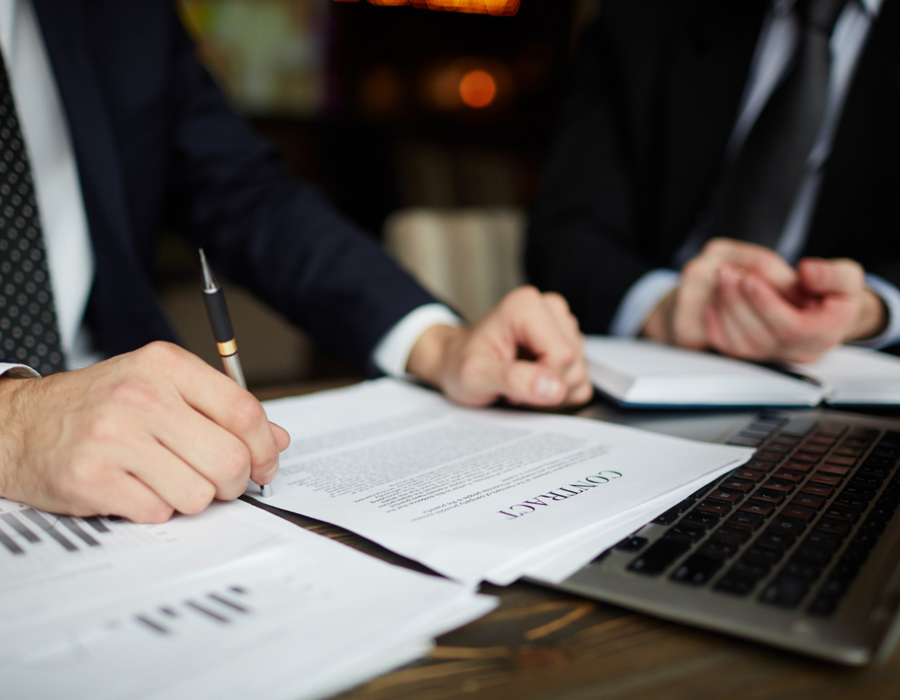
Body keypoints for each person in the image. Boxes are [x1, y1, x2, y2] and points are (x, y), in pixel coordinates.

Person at [0, 0, 591, 524]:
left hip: (150, 479)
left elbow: (246, 192)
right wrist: (17, 429)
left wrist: (436, 344)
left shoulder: (121, 13)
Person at [527, 0, 900, 365]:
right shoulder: (647, 14)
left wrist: (872, 309)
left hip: (846, 375)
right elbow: (567, 229)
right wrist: (662, 306)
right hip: (656, 360)